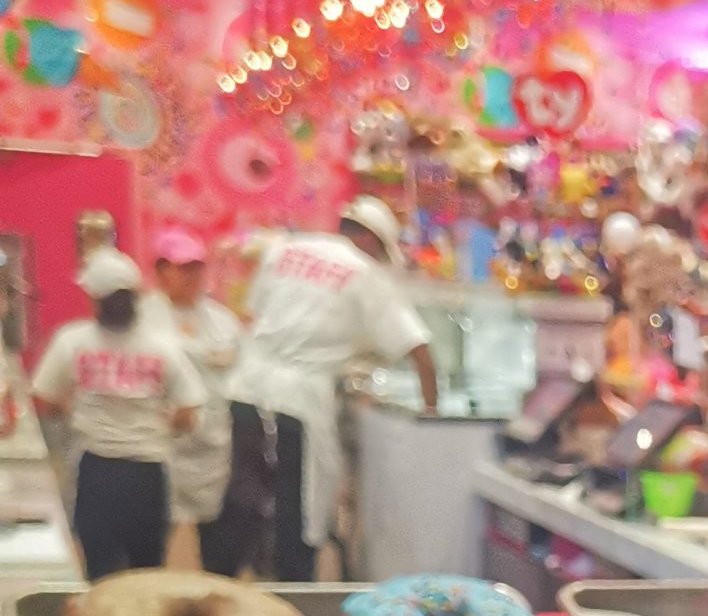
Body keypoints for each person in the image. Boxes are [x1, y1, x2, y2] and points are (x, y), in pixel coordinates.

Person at [203, 194, 437, 581]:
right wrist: (431, 412)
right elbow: (420, 352)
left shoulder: (283, 250)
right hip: (299, 404)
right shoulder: (364, 272)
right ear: (371, 240)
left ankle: (218, 585)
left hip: (247, 390)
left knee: (243, 497)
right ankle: (297, 594)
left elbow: (256, 312)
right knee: (300, 507)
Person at [30, 250, 203, 580]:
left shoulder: (73, 341)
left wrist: (69, 411)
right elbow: (189, 411)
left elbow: (42, 399)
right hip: (149, 473)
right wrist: (160, 425)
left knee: (100, 573)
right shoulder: (162, 346)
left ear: (94, 298)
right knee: (148, 574)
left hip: (96, 469)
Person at [147, 225, 244, 558]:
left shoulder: (223, 321)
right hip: (162, 444)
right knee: (156, 535)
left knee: (217, 537)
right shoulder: (143, 319)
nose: (191, 276)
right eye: (182, 268)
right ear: (161, 270)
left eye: (196, 267)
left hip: (213, 448)